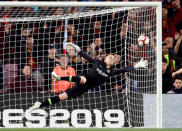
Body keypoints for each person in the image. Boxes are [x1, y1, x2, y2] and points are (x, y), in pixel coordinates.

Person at [26, 43, 148, 113]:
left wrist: (137, 65)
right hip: (82, 80)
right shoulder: (97, 63)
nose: (112, 59)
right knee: (83, 78)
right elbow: (85, 55)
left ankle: (39, 105)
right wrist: (76, 48)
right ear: (105, 58)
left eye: (113, 58)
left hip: (83, 89)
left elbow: (125, 69)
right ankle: (59, 78)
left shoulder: (112, 72)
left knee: (60, 97)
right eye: (110, 57)